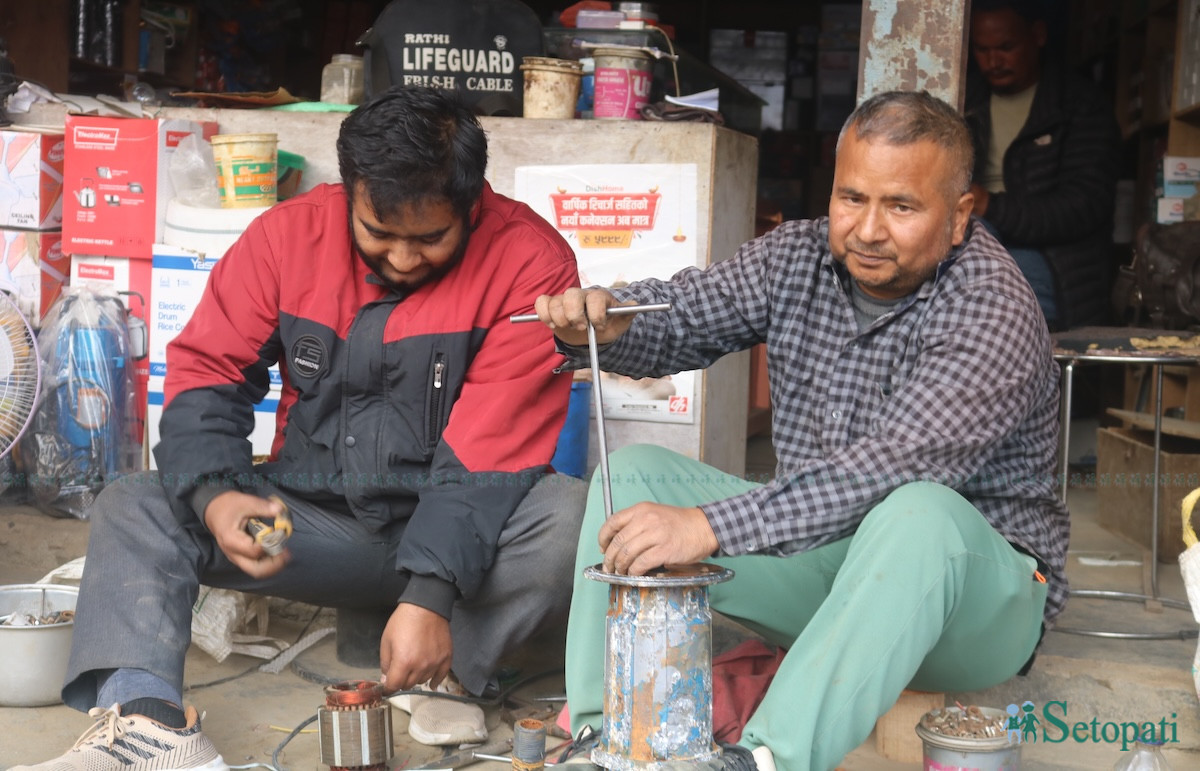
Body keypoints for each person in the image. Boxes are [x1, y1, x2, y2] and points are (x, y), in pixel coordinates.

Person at [16, 86, 588, 770]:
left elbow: (492, 450)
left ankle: (450, 670)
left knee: (568, 515)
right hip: (306, 528)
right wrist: (219, 494)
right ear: (349, 193)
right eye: (379, 233)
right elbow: (208, 371)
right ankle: (148, 720)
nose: (404, 259)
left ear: (474, 204)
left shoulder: (531, 261)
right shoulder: (284, 238)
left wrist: (430, 593)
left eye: (431, 238)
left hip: (469, 543)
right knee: (136, 504)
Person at [535, 90, 1068, 771]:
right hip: (828, 562)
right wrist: (612, 321)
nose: (868, 229)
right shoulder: (797, 256)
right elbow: (690, 312)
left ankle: (765, 757)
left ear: (960, 215)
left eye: (901, 206)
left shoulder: (992, 307)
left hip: (972, 603)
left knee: (920, 510)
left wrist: (707, 525)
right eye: (852, 198)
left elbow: (882, 471)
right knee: (633, 473)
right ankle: (604, 736)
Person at [964, 0, 1121, 330]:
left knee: (980, 294)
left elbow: (1085, 205)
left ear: (1037, 35)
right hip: (975, 239)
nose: (993, 61)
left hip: (1052, 259)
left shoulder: (1079, 105)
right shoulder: (966, 99)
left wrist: (991, 205)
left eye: (1006, 47)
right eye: (982, 49)